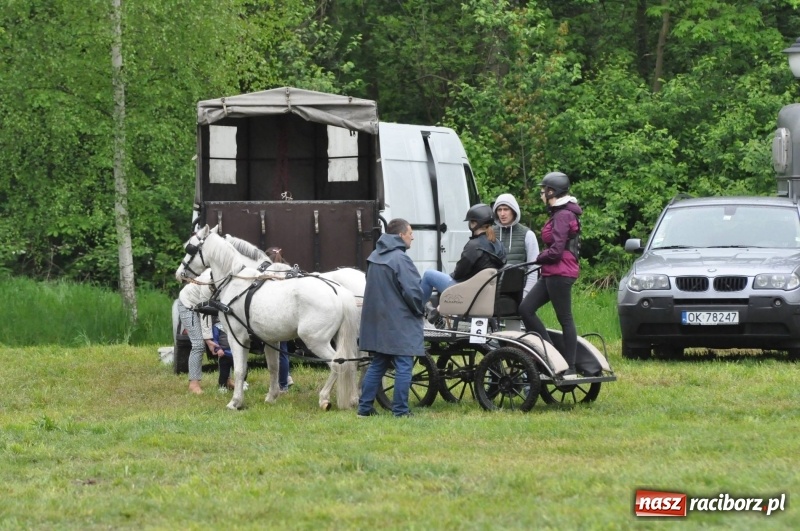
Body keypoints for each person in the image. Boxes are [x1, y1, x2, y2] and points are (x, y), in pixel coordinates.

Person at [357, 218, 424, 418]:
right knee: (404, 364)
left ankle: (364, 409)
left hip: (378, 321)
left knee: (378, 364)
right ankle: (401, 411)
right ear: (401, 235)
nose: (412, 236)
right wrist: (420, 310)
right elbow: (413, 292)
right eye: (410, 232)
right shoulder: (400, 259)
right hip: (399, 321)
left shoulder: (374, 256)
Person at [518, 171, 583, 379]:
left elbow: (555, 251)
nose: (541, 194)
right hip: (552, 272)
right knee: (526, 309)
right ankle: (550, 354)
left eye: (542, 190)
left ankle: (570, 367)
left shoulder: (563, 215)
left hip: (560, 272)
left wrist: (540, 257)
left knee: (565, 318)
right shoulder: (559, 212)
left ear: (551, 191)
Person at [420, 203, 507, 320]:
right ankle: (437, 310)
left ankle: (416, 313)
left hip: (466, 291)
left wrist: (450, 277)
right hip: (485, 293)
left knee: (428, 275)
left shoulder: (473, 246)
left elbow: (459, 273)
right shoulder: (498, 243)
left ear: (474, 223)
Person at [492, 193, 540, 298]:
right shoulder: (490, 233)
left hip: (518, 291)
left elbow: (534, 267)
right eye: (499, 210)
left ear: (513, 211)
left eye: (506, 209)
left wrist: (526, 294)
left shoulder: (527, 234)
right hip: (492, 291)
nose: (502, 213)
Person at [177, 268, 215, 394]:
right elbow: (206, 314)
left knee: (224, 341)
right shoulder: (207, 283)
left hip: (208, 306)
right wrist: (208, 339)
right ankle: (193, 383)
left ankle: (226, 379)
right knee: (198, 344)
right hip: (188, 304)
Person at [264, 246, 293, 391]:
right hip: (288, 314)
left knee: (278, 350)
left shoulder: (267, 273)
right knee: (284, 350)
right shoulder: (288, 269)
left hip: (275, 315)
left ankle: (282, 384)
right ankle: (286, 378)